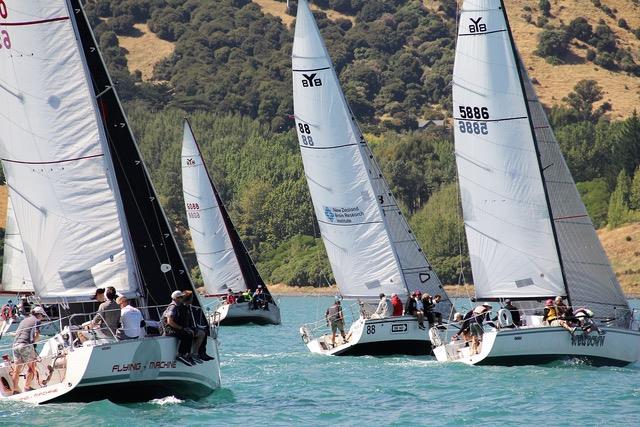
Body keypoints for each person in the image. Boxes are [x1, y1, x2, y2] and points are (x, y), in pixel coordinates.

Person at [11, 306, 46, 393]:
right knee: (32, 367)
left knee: (17, 369)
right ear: (39, 314)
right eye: (43, 316)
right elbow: (36, 335)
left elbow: (16, 333)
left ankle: (15, 389)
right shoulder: (37, 321)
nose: (43, 318)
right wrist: (34, 343)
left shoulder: (24, 320)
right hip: (25, 345)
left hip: (15, 345)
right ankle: (27, 387)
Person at [161, 290, 195, 366]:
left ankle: (187, 354)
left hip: (172, 328)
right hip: (168, 329)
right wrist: (182, 328)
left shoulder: (178, 306)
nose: (182, 298)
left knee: (189, 333)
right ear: (176, 298)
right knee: (187, 334)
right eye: (181, 297)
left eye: (182, 297)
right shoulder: (173, 307)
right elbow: (170, 321)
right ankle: (181, 354)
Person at [181, 291, 215, 362]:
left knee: (204, 331)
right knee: (201, 333)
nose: (193, 299)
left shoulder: (188, 307)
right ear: (189, 299)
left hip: (188, 327)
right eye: (192, 298)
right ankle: (193, 354)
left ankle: (202, 353)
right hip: (183, 328)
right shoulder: (182, 308)